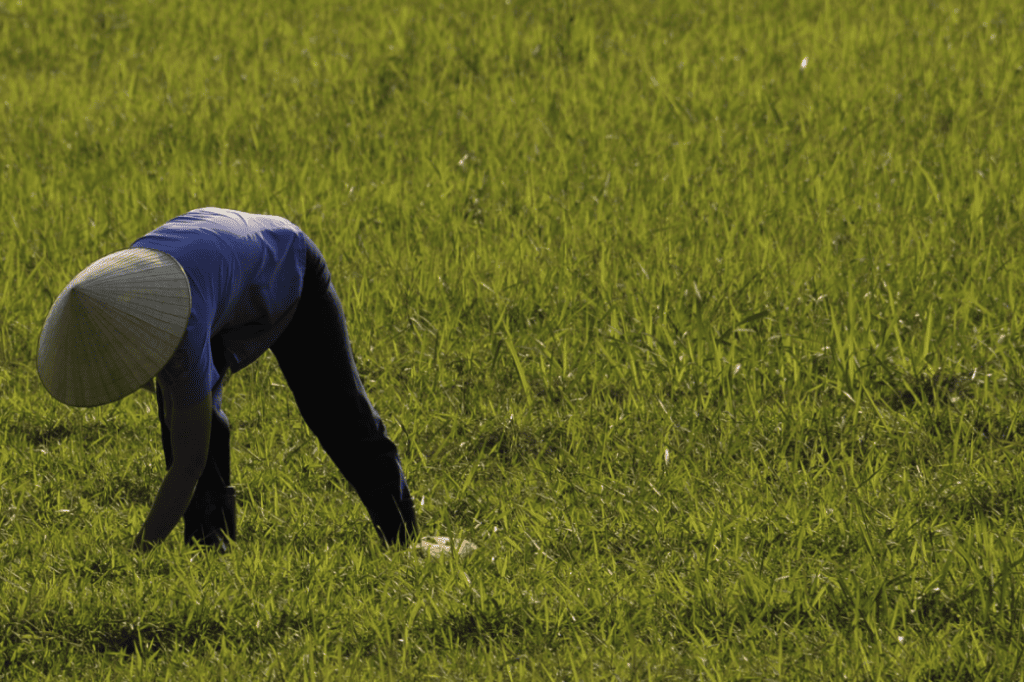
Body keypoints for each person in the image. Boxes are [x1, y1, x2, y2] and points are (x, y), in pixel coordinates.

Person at [36, 207, 417, 552]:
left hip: (288, 264)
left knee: (337, 413)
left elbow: (189, 464)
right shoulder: (123, 293)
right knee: (182, 411)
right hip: (219, 273)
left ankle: (402, 535)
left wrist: (138, 550)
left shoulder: (175, 326)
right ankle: (208, 549)